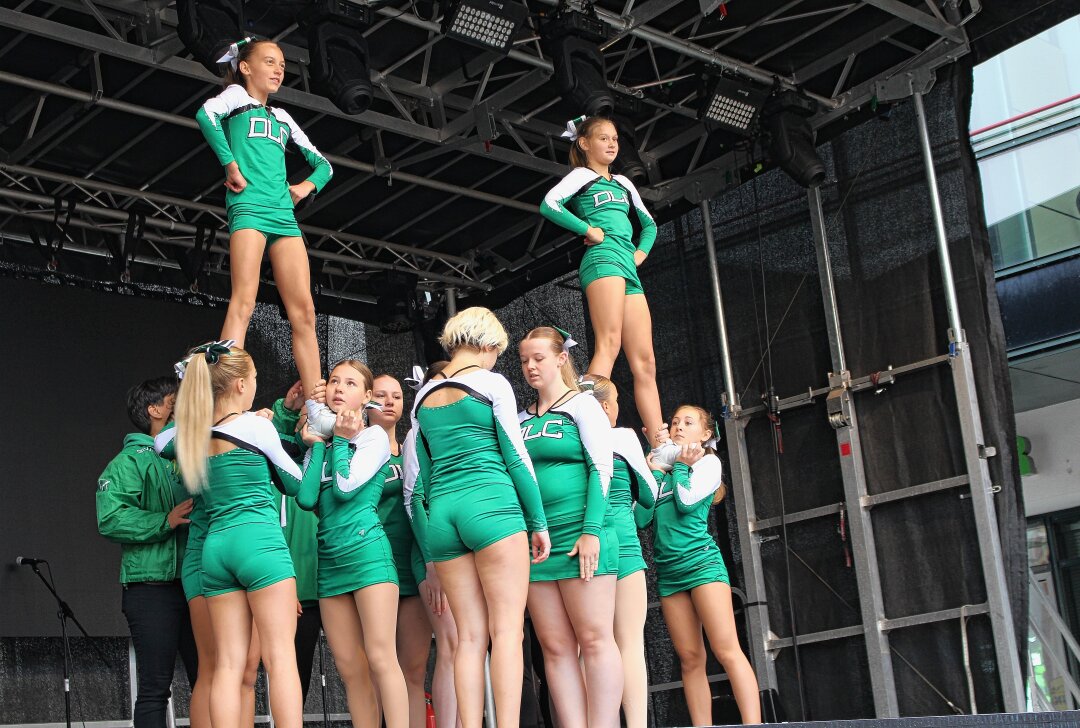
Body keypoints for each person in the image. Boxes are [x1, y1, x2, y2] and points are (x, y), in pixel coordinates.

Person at [163, 341, 326, 728]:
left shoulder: (191, 437)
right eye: (253, 379)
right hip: (259, 544)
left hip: (215, 552)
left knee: (227, 665)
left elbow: (161, 442)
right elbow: (300, 490)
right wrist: (315, 448)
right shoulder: (255, 426)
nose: (255, 387)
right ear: (238, 385)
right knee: (280, 657)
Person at [409, 307, 551, 728]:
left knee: (468, 637)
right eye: (497, 352)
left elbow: (422, 478)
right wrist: (539, 521)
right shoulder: (492, 382)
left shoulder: (423, 395)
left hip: (443, 519)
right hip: (491, 507)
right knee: (507, 632)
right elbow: (516, 455)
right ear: (488, 345)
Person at [195, 36, 334, 433]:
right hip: (249, 208)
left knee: (304, 311)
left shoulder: (283, 117)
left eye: (283, 65)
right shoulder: (232, 98)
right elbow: (205, 116)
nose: (278, 70)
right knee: (244, 300)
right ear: (245, 67)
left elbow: (323, 165)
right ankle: (226, 401)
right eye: (270, 62)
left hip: (282, 215)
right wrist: (231, 166)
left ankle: (316, 404)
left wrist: (304, 188)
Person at [539, 116, 666, 449]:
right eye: (604, 138)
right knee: (608, 345)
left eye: (615, 139)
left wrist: (639, 254)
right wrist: (586, 229)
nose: (612, 144)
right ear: (585, 143)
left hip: (627, 265)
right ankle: (589, 422)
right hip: (602, 260)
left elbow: (650, 225)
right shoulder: (581, 176)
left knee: (645, 361)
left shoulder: (624, 182)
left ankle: (660, 443)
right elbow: (549, 204)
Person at [517, 327, 621, 728]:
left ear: (561, 358)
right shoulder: (521, 417)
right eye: (525, 360)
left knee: (595, 639)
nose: (530, 367)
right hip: (539, 542)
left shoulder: (583, 405)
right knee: (555, 647)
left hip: (582, 534)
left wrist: (592, 529)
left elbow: (602, 468)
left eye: (538, 358)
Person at [298, 360, 409, 728]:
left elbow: (345, 489)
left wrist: (341, 442)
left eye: (350, 383)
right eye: (333, 381)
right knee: (350, 667)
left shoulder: (373, 436)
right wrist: (317, 446)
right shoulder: (329, 444)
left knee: (380, 657)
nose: (339, 388)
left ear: (365, 397)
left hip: (368, 557)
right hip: (330, 563)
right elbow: (307, 497)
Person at [637, 406, 760, 725]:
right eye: (675, 421)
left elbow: (687, 501)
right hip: (669, 574)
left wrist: (677, 468)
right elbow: (641, 518)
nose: (678, 427)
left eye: (687, 423)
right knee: (690, 659)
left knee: (727, 650)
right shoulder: (665, 470)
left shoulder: (708, 462)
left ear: (705, 434)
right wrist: (652, 474)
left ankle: (755, 724)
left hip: (702, 566)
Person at [96, 376, 199, 728]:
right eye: (176, 400)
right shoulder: (128, 461)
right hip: (150, 589)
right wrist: (164, 521)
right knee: (156, 687)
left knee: (211, 678)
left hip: (197, 584)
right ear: (155, 410)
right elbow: (110, 518)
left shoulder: (192, 452)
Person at [371, 373, 460, 728]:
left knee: (412, 668)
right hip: (374, 567)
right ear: (366, 399)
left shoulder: (413, 444)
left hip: (415, 565)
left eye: (396, 395)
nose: (391, 401)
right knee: (376, 665)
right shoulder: (353, 449)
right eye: (381, 395)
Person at [580, 374, 657, 728]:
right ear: (609, 407)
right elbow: (650, 494)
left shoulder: (567, 435)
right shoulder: (621, 437)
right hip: (622, 545)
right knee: (628, 645)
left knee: (586, 647)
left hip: (581, 547)